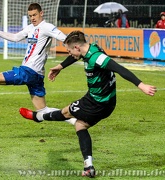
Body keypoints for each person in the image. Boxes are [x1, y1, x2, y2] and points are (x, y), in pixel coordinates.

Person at [19, 30, 157, 177]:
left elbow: (119, 68)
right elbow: (77, 56)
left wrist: (140, 85)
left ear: (77, 48)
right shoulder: (91, 48)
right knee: (80, 125)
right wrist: (60, 66)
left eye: (70, 51)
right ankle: (88, 166)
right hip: (108, 101)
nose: (70, 54)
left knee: (66, 112)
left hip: (96, 102)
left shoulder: (96, 57)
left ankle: (37, 117)